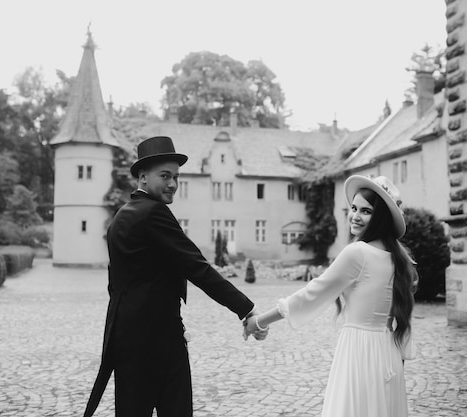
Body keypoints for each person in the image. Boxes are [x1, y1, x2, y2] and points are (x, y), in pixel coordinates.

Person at [83, 136, 267, 417]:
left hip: (125, 335)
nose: (173, 184)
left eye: (176, 177)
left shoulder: (121, 217)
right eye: (165, 176)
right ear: (143, 177)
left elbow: (116, 282)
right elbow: (197, 267)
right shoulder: (154, 213)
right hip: (157, 338)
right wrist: (246, 309)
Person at [245, 175, 418, 417]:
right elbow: (403, 317)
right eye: (354, 208)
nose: (355, 216)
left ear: (379, 218)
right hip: (388, 352)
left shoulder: (358, 253)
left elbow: (312, 294)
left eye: (366, 211)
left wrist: (260, 320)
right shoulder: (398, 258)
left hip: (360, 352)